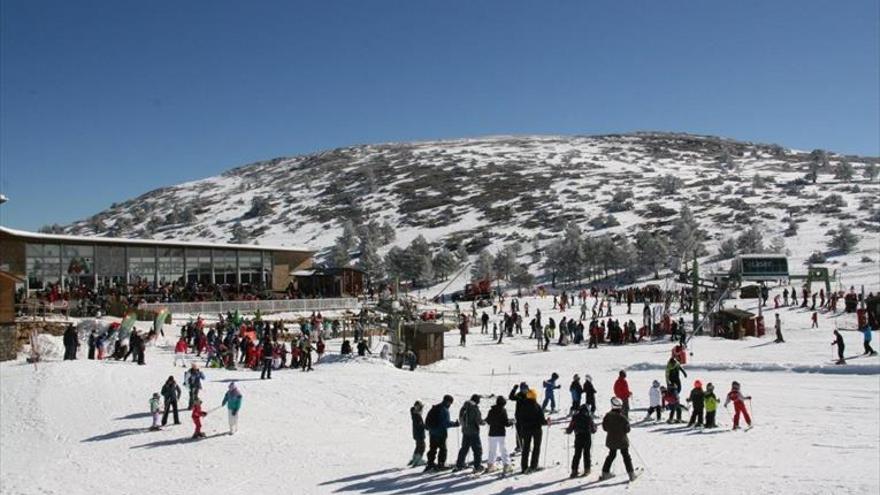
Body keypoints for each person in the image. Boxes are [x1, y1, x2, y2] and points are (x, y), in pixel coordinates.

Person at [600, 398, 637, 482]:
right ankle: (631, 474)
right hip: (622, 440)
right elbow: (627, 430)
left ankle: (605, 472)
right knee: (626, 456)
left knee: (611, 455)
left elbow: (604, 428)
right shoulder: (622, 417)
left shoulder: (607, 416)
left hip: (611, 440)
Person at [423, 395, 460, 472]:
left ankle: (430, 464)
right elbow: (446, 423)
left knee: (432, 448)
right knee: (443, 449)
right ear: (448, 402)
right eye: (450, 403)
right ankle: (441, 464)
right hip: (440, 433)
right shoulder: (444, 410)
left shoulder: (435, 407)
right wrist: (455, 424)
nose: (450, 405)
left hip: (432, 432)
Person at [518, 388, 547, 474]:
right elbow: (542, 420)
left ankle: (524, 467)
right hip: (536, 430)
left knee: (526, 448)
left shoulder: (523, 405)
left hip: (525, 430)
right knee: (536, 447)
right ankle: (534, 465)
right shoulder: (537, 406)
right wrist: (547, 422)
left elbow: (520, 418)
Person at [455, 394, 485, 473]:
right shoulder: (474, 407)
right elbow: (478, 420)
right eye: (479, 400)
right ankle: (477, 466)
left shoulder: (464, 406)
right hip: (473, 431)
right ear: (476, 400)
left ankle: (459, 464)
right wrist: (483, 422)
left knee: (464, 448)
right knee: (477, 449)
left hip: (465, 430)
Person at [565, 404, 597, 478]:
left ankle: (574, 470)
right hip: (587, 437)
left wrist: (568, 431)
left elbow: (570, 428)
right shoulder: (589, 418)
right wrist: (595, 428)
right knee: (587, 454)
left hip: (578, 437)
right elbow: (593, 430)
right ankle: (587, 469)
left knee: (577, 454)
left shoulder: (575, 417)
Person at [485, 396, 513, 474]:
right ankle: (506, 465)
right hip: (501, 433)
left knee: (492, 450)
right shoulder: (503, 411)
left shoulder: (491, 410)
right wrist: (511, 422)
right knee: (503, 449)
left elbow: (488, 421)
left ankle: (490, 465)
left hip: (492, 433)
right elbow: (506, 423)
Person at [508, 382, 529, 453]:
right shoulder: (519, 395)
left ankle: (527, 446)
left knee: (527, 432)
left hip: (527, 417)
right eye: (523, 389)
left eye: (525, 388)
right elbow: (511, 397)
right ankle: (519, 446)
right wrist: (514, 389)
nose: (524, 390)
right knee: (519, 432)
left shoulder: (529, 395)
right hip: (519, 416)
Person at [409, 401, 426, 467]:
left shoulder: (414, 414)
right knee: (422, 446)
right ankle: (419, 460)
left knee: (418, 446)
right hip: (419, 434)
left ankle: (415, 458)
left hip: (416, 434)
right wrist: (426, 426)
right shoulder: (417, 415)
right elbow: (420, 425)